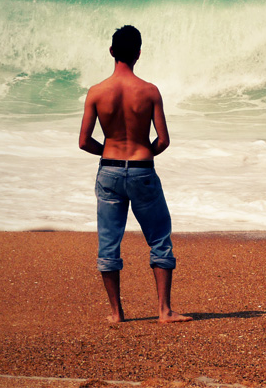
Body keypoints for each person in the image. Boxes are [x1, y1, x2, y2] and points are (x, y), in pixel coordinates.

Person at [78, 25, 192, 324]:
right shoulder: (149, 91)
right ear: (138, 54)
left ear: (111, 51)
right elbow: (163, 140)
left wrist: (110, 153)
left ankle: (117, 313)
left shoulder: (96, 92)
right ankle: (164, 311)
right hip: (142, 171)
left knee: (109, 242)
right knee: (159, 239)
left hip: (109, 171)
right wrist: (142, 153)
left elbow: (84, 142)